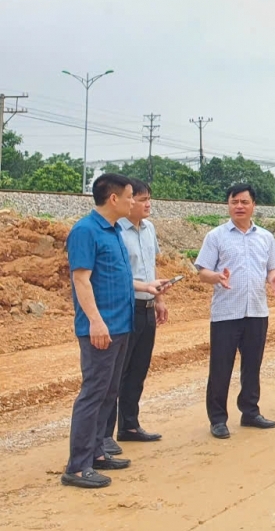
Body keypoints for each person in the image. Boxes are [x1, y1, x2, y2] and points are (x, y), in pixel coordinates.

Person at [63, 173, 166, 489]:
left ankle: (96, 453)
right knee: (94, 392)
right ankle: (77, 467)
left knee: (109, 392)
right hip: (102, 326)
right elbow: (81, 279)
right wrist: (95, 321)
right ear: (113, 199)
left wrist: (146, 287)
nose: (133, 202)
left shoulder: (113, 231)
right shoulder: (86, 231)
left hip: (122, 324)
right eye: (130, 196)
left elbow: (117, 277)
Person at [194, 183, 275, 439]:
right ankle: (218, 419)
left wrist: (274, 278)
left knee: (252, 366)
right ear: (228, 205)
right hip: (226, 313)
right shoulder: (216, 236)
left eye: (244, 202)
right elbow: (202, 271)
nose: (239, 206)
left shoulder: (265, 237)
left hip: (256, 311)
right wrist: (216, 277)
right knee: (220, 368)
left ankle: (250, 412)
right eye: (234, 202)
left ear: (253, 205)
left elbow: (271, 268)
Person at [102, 179, 169, 457]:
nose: (146, 204)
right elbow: (116, 277)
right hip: (125, 308)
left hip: (146, 307)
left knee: (138, 370)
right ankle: (104, 435)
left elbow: (151, 266)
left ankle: (129, 425)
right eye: (140, 199)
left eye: (148, 199)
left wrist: (159, 300)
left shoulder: (149, 229)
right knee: (116, 373)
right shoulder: (116, 232)